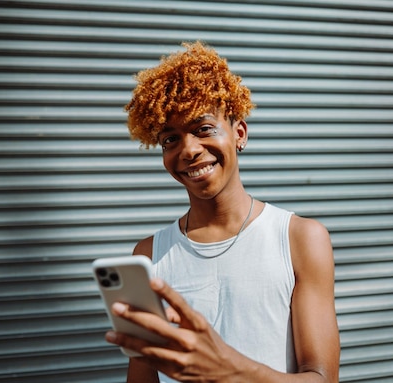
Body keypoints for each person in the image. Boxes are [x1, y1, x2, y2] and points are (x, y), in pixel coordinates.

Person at [105, 41, 340, 383]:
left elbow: (323, 378)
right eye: (170, 139)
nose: (188, 150)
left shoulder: (300, 239)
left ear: (239, 133)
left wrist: (226, 369)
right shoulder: (149, 256)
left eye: (203, 129)